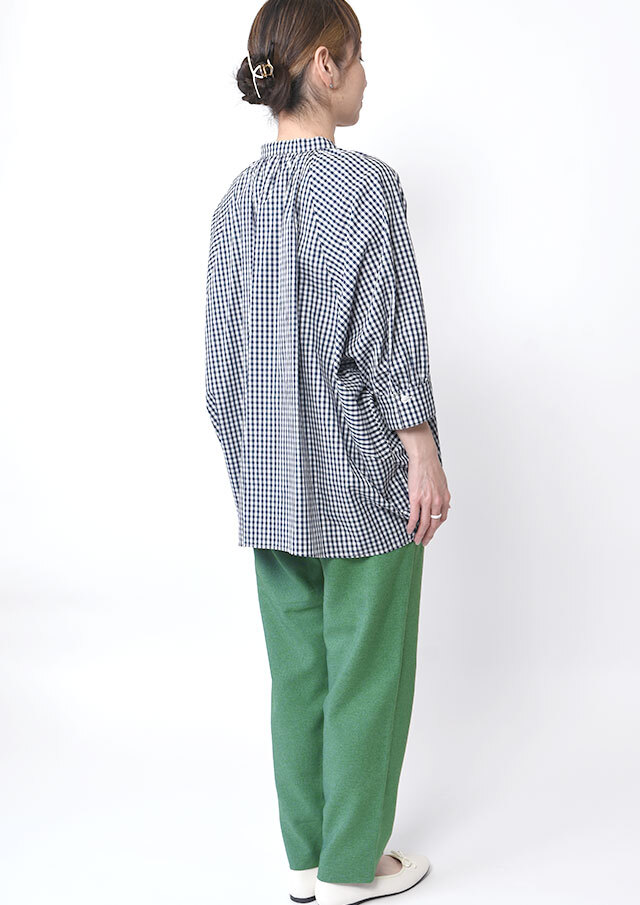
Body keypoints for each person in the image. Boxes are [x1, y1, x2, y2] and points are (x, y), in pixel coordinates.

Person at [204, 2, 452, 903]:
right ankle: (355, 865)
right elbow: (390, 342)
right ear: (324, 64)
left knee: (298, 672)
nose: (367, 76)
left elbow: (221, 371)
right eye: (359, 58)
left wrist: (256, 473)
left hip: (270, 489)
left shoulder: (234, 204)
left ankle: (305, 859)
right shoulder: (369, 188)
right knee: (367, 670)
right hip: (362, 481)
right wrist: (422, 453)